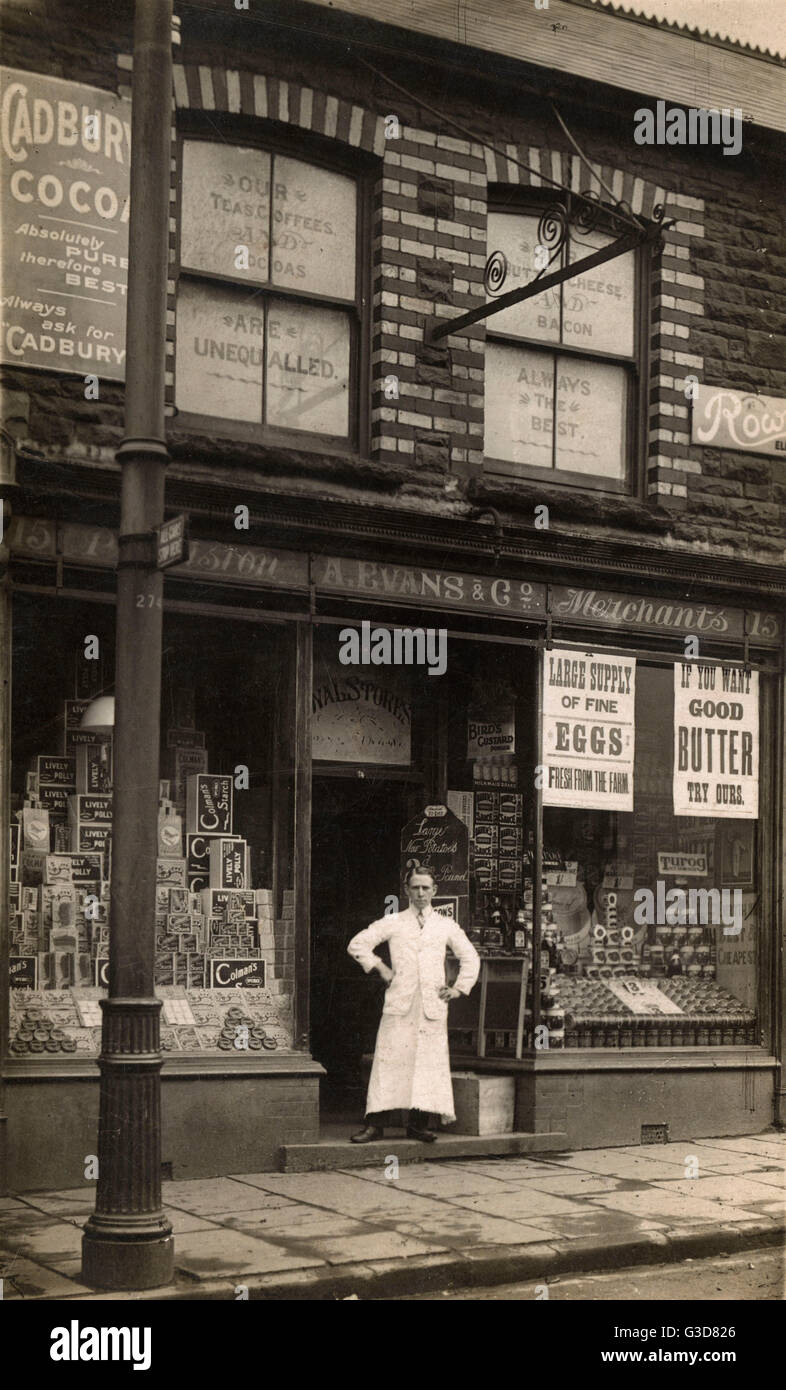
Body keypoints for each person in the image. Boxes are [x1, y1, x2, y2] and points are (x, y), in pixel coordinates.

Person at [347, 864, 480, 1143]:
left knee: (427, 1065)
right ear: (407, 890)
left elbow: (470, 957)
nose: (420, 893)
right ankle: (375, 1124)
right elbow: (357, 944)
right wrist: (381, 968)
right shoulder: (394, 922)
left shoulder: (445, 925)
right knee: (388, 1062)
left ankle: (418, 1125)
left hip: (431, 1006)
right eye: (415, 887)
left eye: (425, 888)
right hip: (400, 1004)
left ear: (435, 891)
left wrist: (458, 989)